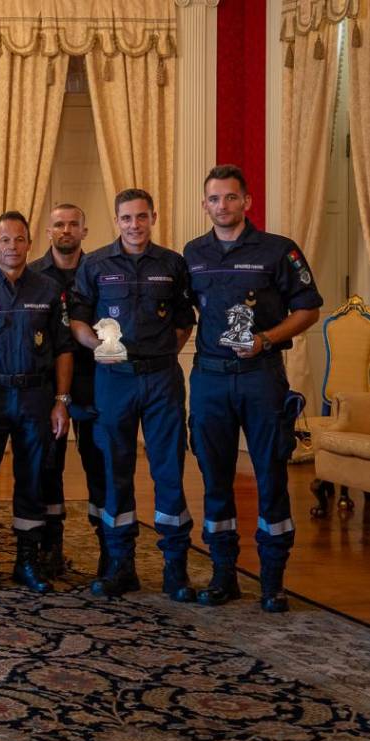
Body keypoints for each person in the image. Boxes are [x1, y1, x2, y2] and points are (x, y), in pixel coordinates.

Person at [184, 164, 323, 612]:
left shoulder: (278, 251)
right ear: (205, 205)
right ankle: (224, 575)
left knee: (271, 475)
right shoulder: (193, 252)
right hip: (210, 378)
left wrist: (267, 338)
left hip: (262, 376)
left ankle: (272, 581)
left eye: (230, 197)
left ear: (247, 202)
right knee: (214, 478)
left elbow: (308, 309)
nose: (221, 206)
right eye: (213, 199)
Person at [69, 189, 197, 602]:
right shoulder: (95, 264)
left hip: (161, 379)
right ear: (117, 220)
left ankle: (175, 569)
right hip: (114, 379)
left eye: (142, 217)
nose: (134, 225)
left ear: (153, 218)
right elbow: (77, 319)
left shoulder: (172, 264)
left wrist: (164, 354)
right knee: (114, 471)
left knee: (168, 471)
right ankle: (121, 566)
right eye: (126, 218)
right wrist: (97, 348)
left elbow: (184, 320)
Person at [0, 211, 73, 594]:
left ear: (29, 243)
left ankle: (27, 561)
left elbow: (63, 349)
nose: (12, 247)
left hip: (36, 396)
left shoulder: (48, 289)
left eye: (19, 239)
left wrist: (61, 401)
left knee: (34, 476)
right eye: (4, 240)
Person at [27, 203, 103, 579]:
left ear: (84, 231)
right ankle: (50, 548)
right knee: (48, 467)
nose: (66, 230)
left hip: (95, 382)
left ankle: (108, 548)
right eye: (59, 224)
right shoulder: (32, 276)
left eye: (74, 224)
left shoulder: (102, 270)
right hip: (47, 386)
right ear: (49, 232)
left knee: (98, 464)